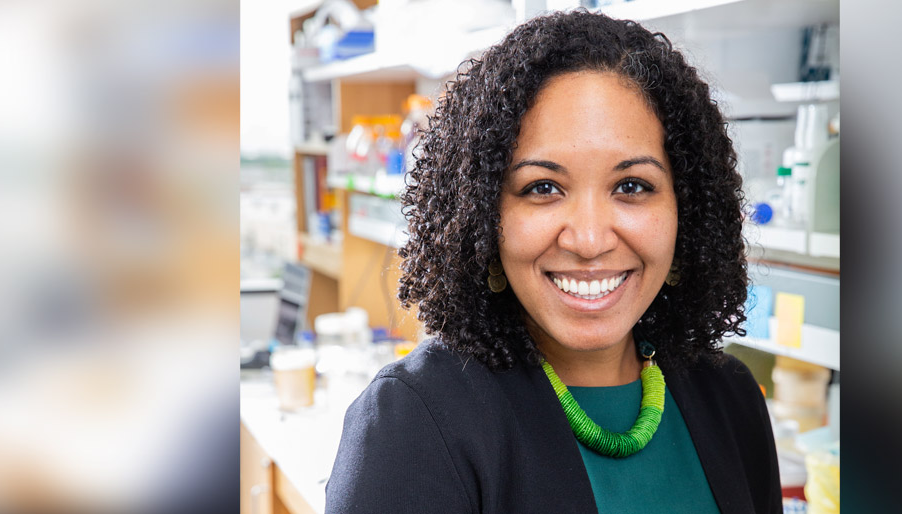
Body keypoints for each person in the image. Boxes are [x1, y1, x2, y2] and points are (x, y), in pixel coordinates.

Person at [325, 10, 780, 514]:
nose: (588, 240)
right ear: (484, 216)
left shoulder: (731, 399)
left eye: (632, 187)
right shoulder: (414, 420)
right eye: (543, 188)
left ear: (686, 213)